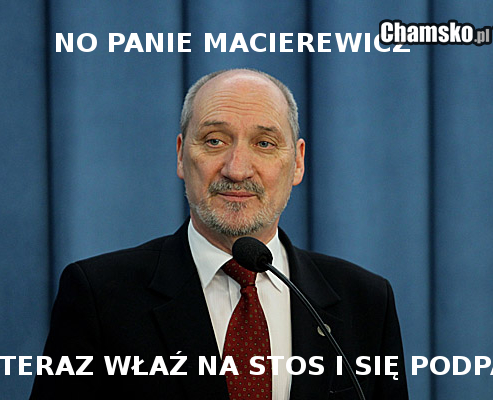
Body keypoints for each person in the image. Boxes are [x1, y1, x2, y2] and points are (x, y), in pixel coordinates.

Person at [30, 69, 409, 399]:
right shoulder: (100, 296)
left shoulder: (366, 302)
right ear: (181, 155)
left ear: (297, 162)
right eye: (215, 140)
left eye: (264, 143)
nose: (237, 169)